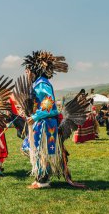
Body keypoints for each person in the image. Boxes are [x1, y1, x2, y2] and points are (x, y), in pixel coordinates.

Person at [21, 50, 68, 189]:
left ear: (34, 70)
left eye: (27, 70)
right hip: (43, 121)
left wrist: (35, 116)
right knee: (32, 148)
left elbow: (48, 101)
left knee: (42, 151)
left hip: (46, 123)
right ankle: (40, 178)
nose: (26, 73)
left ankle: (43, 181)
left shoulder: (42, 83)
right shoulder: (38, 83)